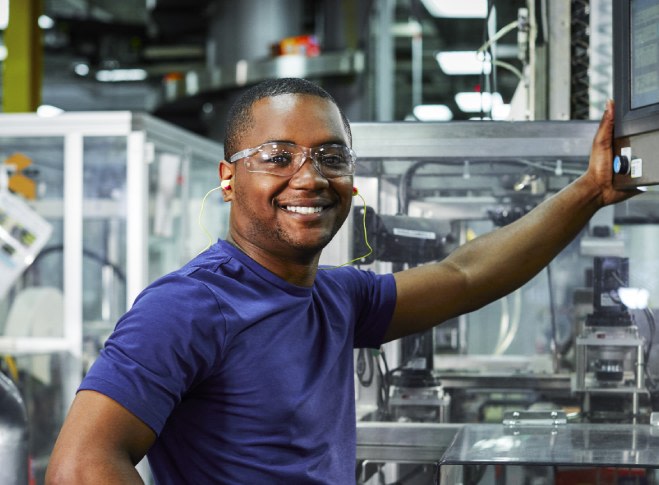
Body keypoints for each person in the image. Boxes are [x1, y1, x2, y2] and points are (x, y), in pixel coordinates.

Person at [45, 77, 638, 484]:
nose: (310, 177)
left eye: (332, 157)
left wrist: (589, 192)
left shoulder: (335, 297)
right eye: (278, 156)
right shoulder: (188, 306)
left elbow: (465, 274)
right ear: (229, 179)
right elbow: (80, 465)